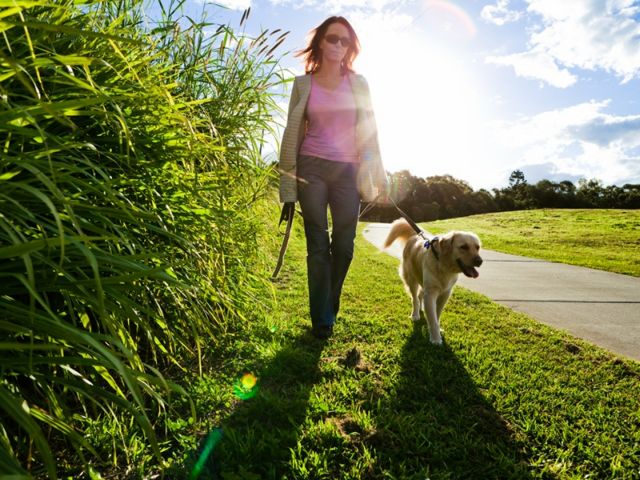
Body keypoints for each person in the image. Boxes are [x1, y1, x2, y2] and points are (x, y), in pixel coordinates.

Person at [279, 16, 388, 339]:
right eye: (332, 39)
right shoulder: (303, 84)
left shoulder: (359, 84)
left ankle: (330, 299)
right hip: (310, 166)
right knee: (317, 242)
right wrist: (287, 189)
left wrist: (378, 172)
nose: (338, 45)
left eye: (344, 41)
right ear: (320, 43)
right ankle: (322, 320)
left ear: (350, 47)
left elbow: (371, 129)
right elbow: (291, 133)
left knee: (344, 245)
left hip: (348, 171)